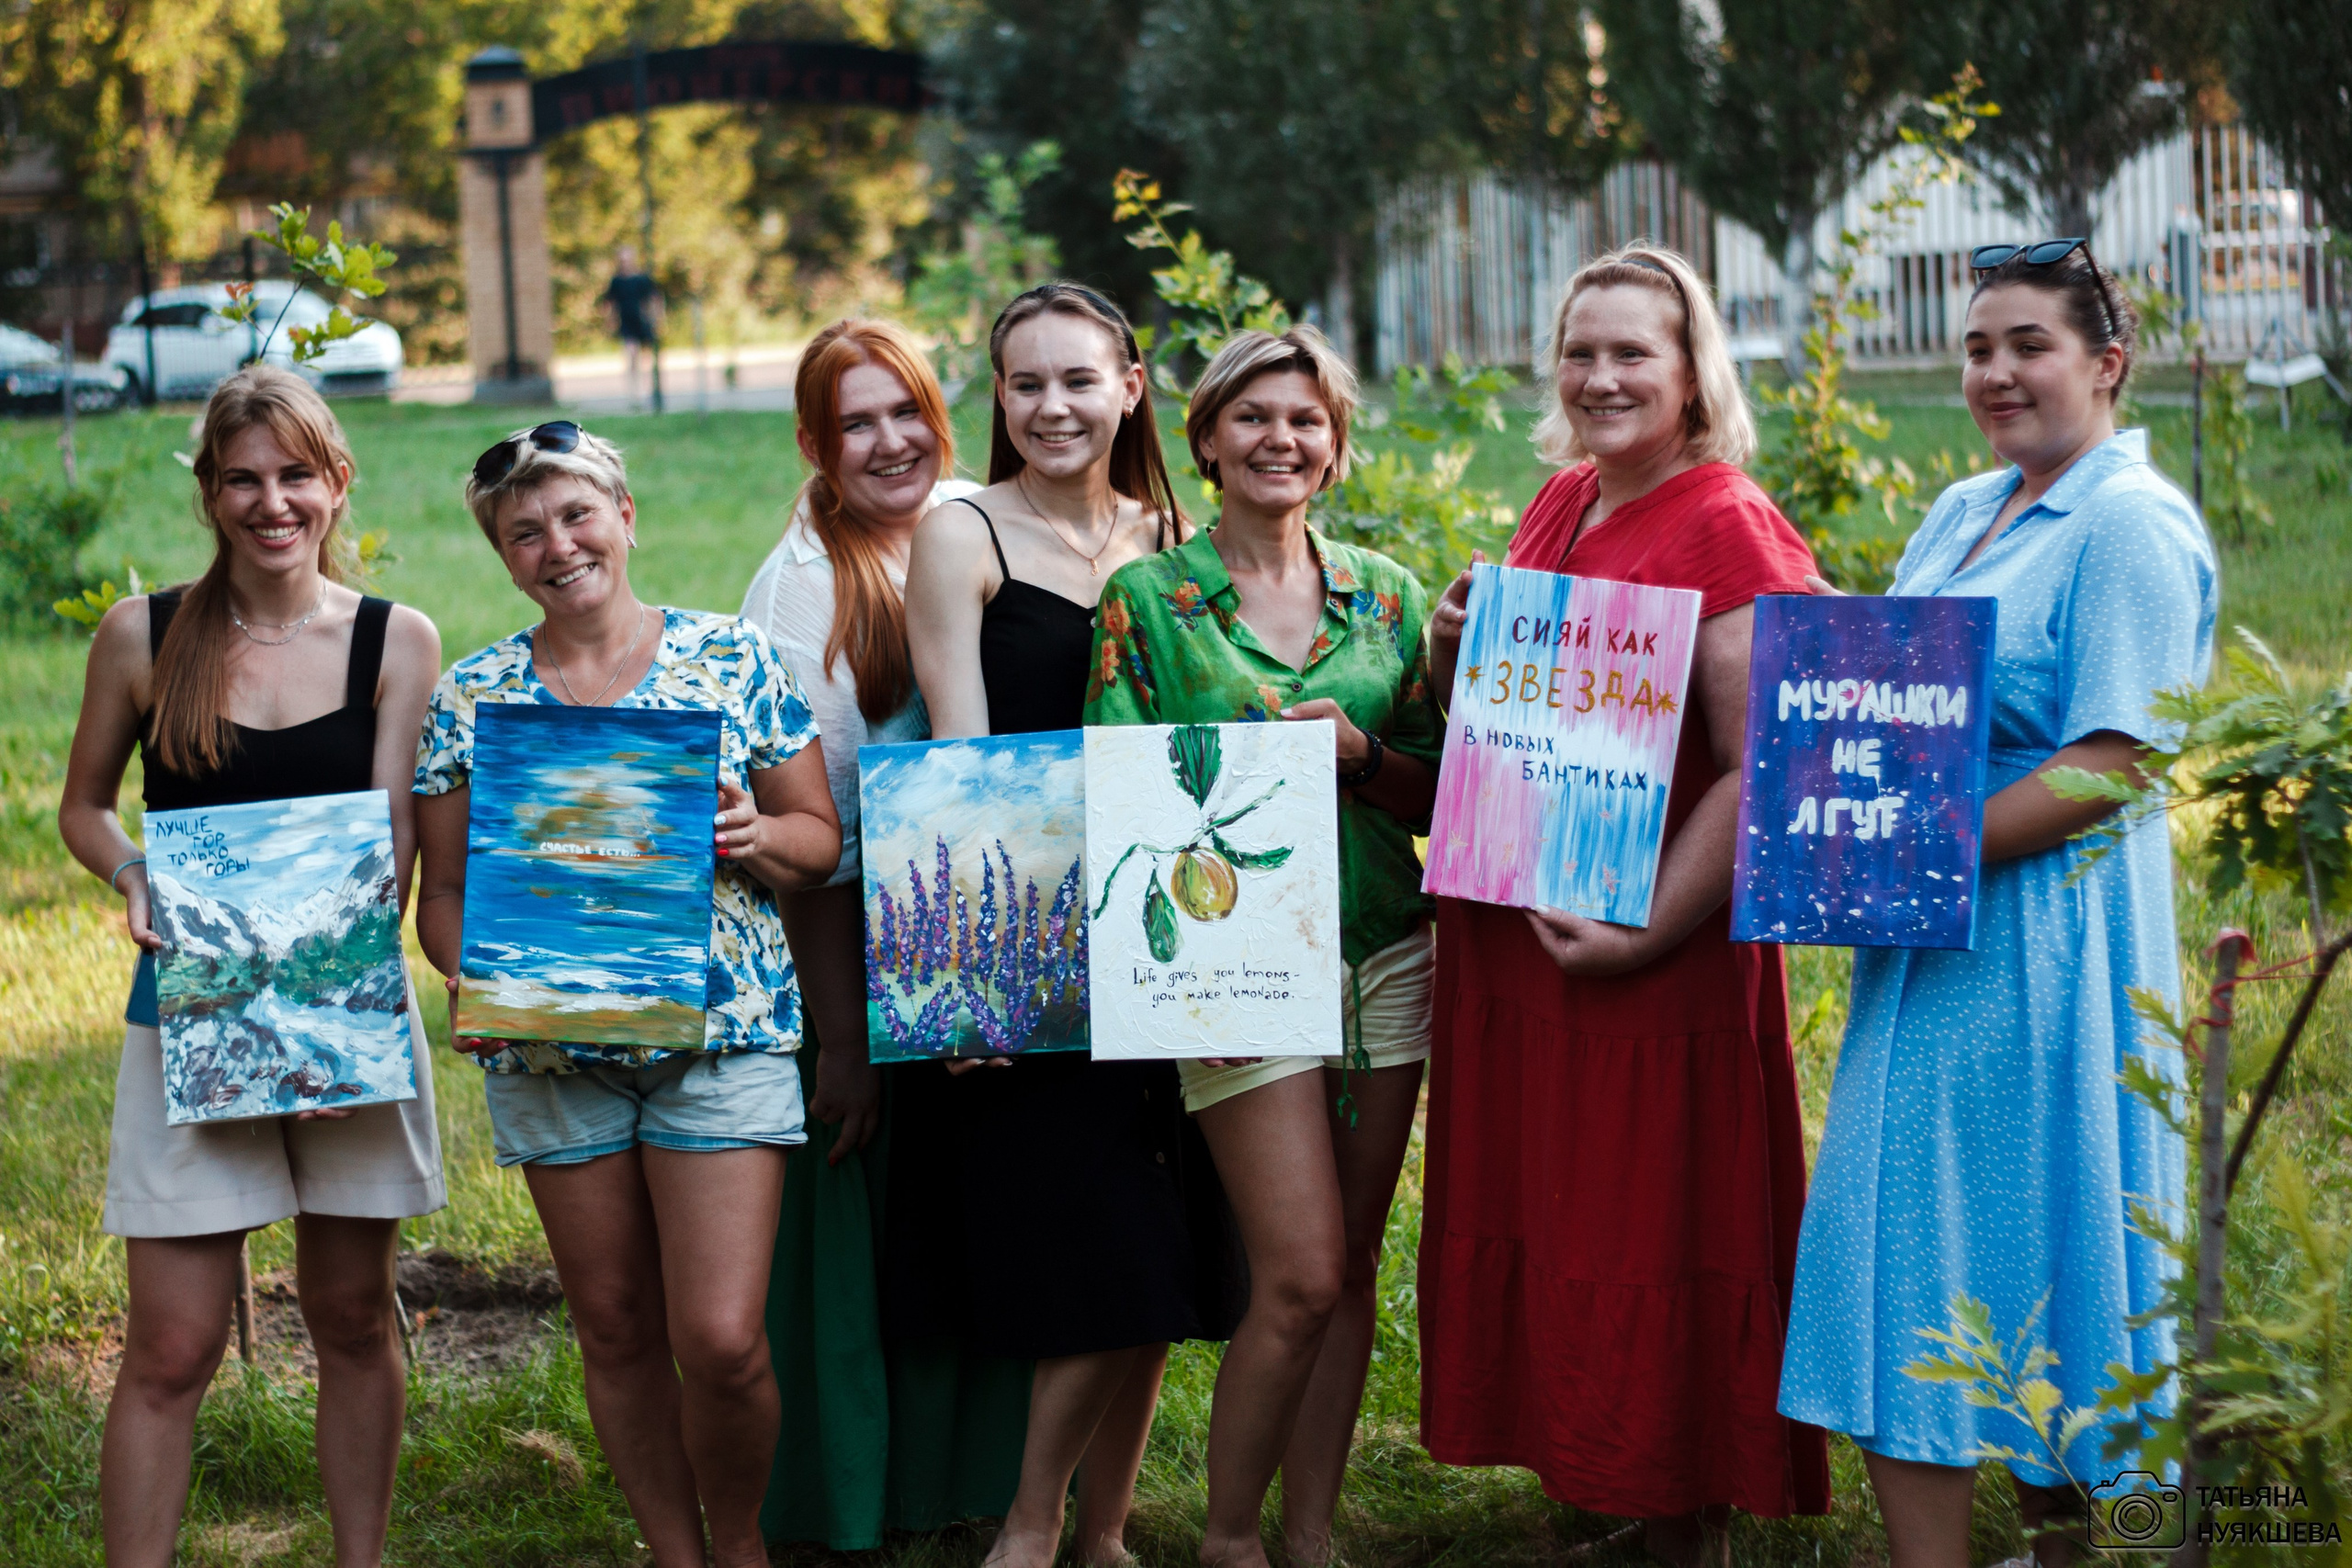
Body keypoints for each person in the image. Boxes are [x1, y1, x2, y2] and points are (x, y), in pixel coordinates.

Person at [1777, 241, 2217, 1568]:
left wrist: (1911, 837)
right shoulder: (1969, 504)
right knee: (1918, 1241)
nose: (1997, 371)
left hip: (2047, 940)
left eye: (2029, 343)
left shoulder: (2128, 522)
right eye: (1979, 347)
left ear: (2106, 361)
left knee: (2036, 1241)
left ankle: (2071, 1546)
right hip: (1929, 936)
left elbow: (2116, 760)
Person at [1420, 245, 1832, 1562]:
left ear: (1692, 371)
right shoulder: (1560, 503)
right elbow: (1508, 716)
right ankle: (1606, 1481)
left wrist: (1647, 926)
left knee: (1650, 1227)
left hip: (1648, 958)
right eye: (1581, 351)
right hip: (1533, 946)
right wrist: (1451, 648)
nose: (1601, 377)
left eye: (1631, 352)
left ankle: (1683, 1520)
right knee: (1566, 1222)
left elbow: (1765, 762)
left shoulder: (1726, 521)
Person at [413, 421, 841, 1568]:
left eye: (575, 515)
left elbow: (817, 838)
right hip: (555, 1051)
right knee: (611, 1325)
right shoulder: (474, 697)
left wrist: (760, 833)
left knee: (720, 1338)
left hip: (724, 1036)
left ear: (626, 516)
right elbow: (444, 895)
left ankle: (739, 1539)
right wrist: (472, 976)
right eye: (526, 532)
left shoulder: (731, 660)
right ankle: (674, 1551)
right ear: (505, 557)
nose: (557, 545)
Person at [56, 365, 446, 1568]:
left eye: (295, 476)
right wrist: (131, 875)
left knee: (345, 1313)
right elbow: (85, 808)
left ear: (338, 484)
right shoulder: (145, 633)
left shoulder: (398, 639)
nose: (270, 501)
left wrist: (335, 1009)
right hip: (190, 1015)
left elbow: (392, 848)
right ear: (210, 493)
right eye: (242, 478)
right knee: (169, 1344)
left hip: (342, 1009)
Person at [1084, 325, 1443, 1568]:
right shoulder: (1150, 602)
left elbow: (1448, 792)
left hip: (1387, 951)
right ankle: (1229, 1537)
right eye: (1253, 417)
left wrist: (1366, 759)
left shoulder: (1390, 594)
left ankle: (1310, 1531)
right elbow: (1116, 789)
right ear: (1206, 437)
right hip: (1233, 966)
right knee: (1294, 1272)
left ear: (1336, 447)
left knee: (1348, 1273)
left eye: (1305, 420)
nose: (1279, 439)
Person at [899, 281, 1244, 1568]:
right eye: (1025, 383)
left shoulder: (1171, 534)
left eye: (1077, 379)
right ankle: (1029, 1529)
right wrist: (973, 987)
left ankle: (1102, 1531)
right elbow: (960, 757)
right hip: (1035, 940)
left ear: (1132, 386)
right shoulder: (963, 534)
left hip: (1177, 930)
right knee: (1105, 1240)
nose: (1052, 405)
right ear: (1000, 397)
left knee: (1167, 1241)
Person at [737, 318, 1031, 1548]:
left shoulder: (978, 519)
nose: (890, 438)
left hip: (1000, 929)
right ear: (816, 443)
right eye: (857, 421)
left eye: (905, 408)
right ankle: (867, 1494)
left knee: (983, 1222)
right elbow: (812, 846)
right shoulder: (802, 586)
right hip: (864, 948)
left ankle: (986, 1479)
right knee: (871, 1241)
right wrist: (844, 1034)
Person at [603, 246, 662, 410]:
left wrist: (656, 319)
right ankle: (633, 394)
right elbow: (610, 303)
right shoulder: (617, 281)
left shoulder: (642, 279)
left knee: (645, 359)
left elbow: (654, 299)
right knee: (631, 355)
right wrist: (610, 320)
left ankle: (647, 391)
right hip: (626, 323)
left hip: (641, 323)